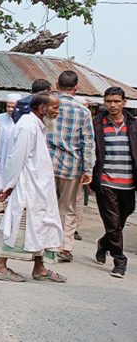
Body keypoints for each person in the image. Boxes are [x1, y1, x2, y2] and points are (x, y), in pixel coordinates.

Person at [0, 93, 66, 283]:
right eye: (55, 108)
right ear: (42, 109)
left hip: (40, 189)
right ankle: (0, 265)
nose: (58, 112)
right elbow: (16, 159)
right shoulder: (27, 126)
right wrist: (8, 186)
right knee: (22, 227)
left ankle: (39, 268)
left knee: (40, 226)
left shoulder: (38, 125)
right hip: (28, 189)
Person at [46, 71, 95, 263]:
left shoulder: (48, 105)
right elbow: (88, 142)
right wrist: (88, 169)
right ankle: (65, 247)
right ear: (76, 87)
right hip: (71, 165)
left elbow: (43, 133)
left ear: (57, 84)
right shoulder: (83, 111)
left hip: (47, 162)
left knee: (47, 204)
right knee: (67, 207)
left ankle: (46, 242)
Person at [91, 87, 135, 278]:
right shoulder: (97, 124)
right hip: (106, 181)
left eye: (117, 101)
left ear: (124, 102)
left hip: (129, 183)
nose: (113, 105)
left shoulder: (133, 125)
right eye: (109, 101)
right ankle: (119, 260)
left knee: (120, 221)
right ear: (104, 101)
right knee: (113, 223)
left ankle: (104, 243)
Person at [0, 93, 22, 210]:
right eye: (8, 106)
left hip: (12, 159)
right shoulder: (0, 118)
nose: (10, 109)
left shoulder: (21, 121)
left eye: (13, 107)